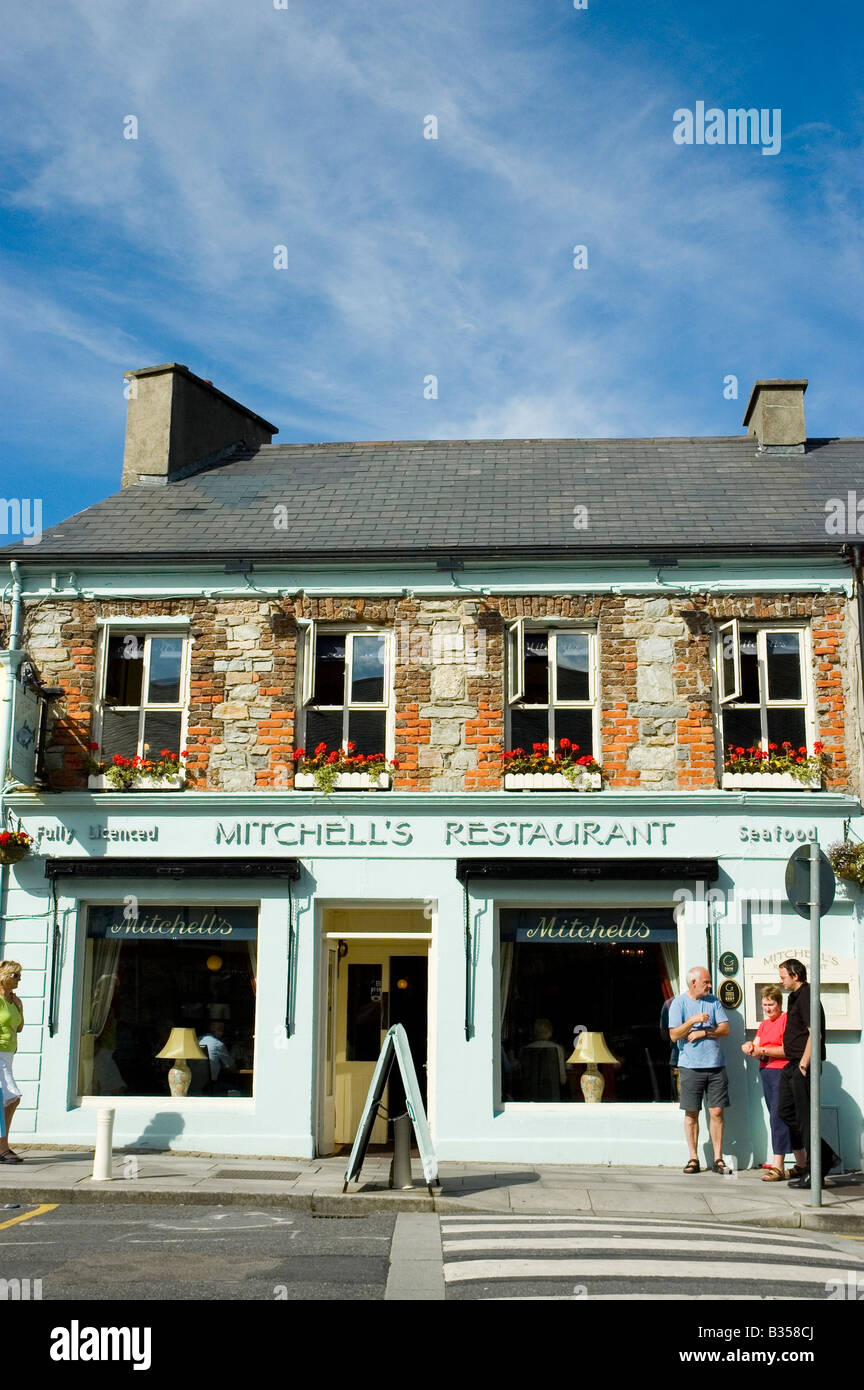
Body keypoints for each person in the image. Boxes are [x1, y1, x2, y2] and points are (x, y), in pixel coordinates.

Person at [777, 959, 840, 1189]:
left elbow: (816, 1035)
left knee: (805, 1120)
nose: (781, 980)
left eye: (783, 976)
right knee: (785, 1111)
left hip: (803, 1065)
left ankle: (815, 1172)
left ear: (796, 975)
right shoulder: (794, 996)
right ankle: (826, 1156)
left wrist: (804, 1065)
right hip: (792, 1064)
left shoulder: (807, 996)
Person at [668, 966, 731, 1173]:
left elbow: (725, 1029)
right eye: (706, 982)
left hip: (715, 1065)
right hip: (690, 1067)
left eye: (709, 981)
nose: (710, 985)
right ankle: (693, 1158)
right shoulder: (679, 1003)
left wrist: (704, 1033)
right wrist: (694, 1021)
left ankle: (718, 1158)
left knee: (717, 1111)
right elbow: (674, 1035)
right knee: (691, 1112)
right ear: (693, 983)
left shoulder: (713, 1002)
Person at [741, 984, 802, 1181]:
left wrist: (763, 1051)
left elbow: (787, 1050)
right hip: (766, 1072)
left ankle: (778, 1164)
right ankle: (802, 1162)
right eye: (764, 1005)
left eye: (771, 1004)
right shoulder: (764, 1024)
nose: (767, 1009)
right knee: (784, 1117)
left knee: (778, 1117)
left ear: (779, 1003)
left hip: (782, 1073)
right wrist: (749, 1046)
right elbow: (756, 1044)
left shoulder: (786, 1020)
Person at [0, 960, 25, 1163]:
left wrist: (19, 1008)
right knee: (12, 1097)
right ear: (3, 976)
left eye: (19, 976)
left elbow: (19, 1027)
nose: (19, 979)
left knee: (6, 1099)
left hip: (9, 1053)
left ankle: (3, 1147)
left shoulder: (13, 1001)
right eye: (15, 975)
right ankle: (2, 1148)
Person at [197, 1020, 235, 1090]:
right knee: (236, 1089)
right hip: (210, 1085)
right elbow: (231, 1067)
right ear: (215, 1031)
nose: (222, 1033)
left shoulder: (197, 1040)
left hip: (195, 1084)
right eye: (221, 1031)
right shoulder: (218, 1044)